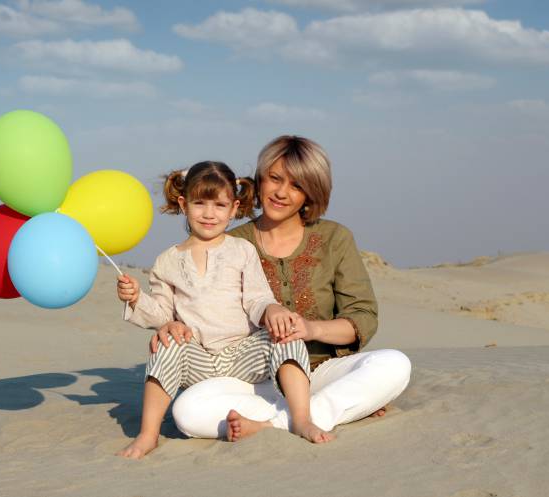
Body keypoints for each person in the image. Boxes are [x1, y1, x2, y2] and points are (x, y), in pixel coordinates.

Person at [152, 136, 412, 441]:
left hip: (322, 372)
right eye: (275, 178)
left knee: (394, 364)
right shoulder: (231, 243)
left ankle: (277, 422)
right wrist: (170, 325)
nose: (281, 192)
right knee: (187, 412)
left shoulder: (334, 238)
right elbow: (196, 307)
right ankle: (329, 412)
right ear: (261, 180)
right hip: (255, 379)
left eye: (297, 185)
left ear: (311, 193)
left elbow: (363, 317)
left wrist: (310, 329)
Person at [115, 161, 331, 459]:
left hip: (243, 354)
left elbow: (257, 298)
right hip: (200, 359)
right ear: (183, 204)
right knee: (165, 344)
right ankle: (148, 434)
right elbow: (163, 313)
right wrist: (137, 298)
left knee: (287, 335)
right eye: (199, 203)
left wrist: (274, 310)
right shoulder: (166, 260)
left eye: (219, 205)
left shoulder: (241, 250)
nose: (209, 213)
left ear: (233, 209)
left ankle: (301, 419)